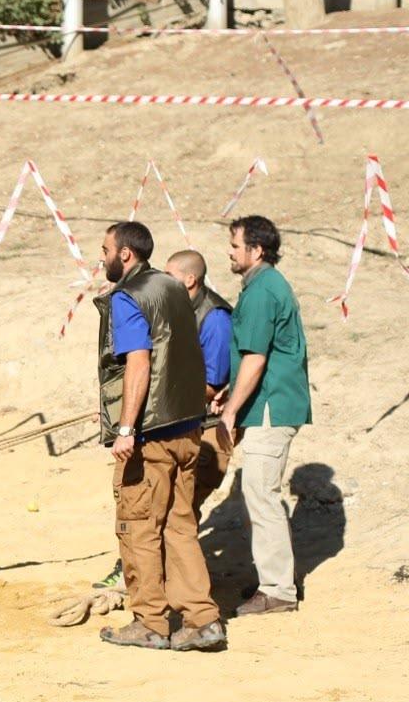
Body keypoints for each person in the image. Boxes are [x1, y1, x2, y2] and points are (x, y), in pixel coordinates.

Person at [95, 221, 225, 652]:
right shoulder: (173, 287)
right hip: (188, 428)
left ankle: (150, 620)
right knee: (179, 525)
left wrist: (127, 428)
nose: (103, 257)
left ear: (125, 255)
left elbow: (139, 361)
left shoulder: (127, 296)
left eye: (106, 250)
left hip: (151, 433)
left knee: (138, 527)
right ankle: (202, 619)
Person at [220, 215, 312, 616]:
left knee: (261, 495)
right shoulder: (265, 285)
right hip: (269, 405)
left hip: (270, 408)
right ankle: (272, 581)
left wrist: (230, 410)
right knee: (260, 494)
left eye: (236, 245)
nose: (230, 251)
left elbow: (256, 359)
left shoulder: (261, 291)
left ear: (256, 250)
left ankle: (278, 590)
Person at [164, 249, 235, 513]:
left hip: (211, 427)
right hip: (185, 420)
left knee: (184, 507)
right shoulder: (178, 309)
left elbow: (212, 386)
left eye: (169, 276)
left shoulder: (215, 320)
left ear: (190, 280)